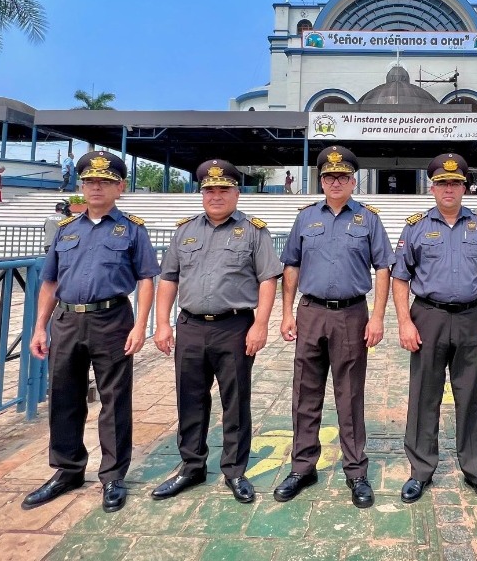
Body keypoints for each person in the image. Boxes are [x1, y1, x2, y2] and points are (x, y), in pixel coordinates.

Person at [22, 151, 159, 514]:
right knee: (64, 396)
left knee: (114, 400)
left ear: (120, 187)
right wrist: (40, 327)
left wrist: (140, 325)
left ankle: (113, 476)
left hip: (112, 319)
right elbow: (50, 282)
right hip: (66, 321)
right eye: (89, 182)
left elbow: (147, 278)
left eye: (104, 182)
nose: (96, 187)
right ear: (81, 186)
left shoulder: (132, 228)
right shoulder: (67, 230)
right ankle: (67, 470)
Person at [150, 159, 282, 505]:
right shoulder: (185, 231)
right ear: (201, 193)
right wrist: (162, 322)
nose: (216, 195)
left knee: (235, 401)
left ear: (237, 192)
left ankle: (235, 470)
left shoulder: (254, 231)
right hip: (191, 326)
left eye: (224, 189)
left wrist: (260, 324)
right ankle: (191, 466)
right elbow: (169, 279)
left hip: (235, 326)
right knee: (190, 399)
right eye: (210, 189)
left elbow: (268, 279)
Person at [274, 146, 392, 508]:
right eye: (329, 176)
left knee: (350, 395)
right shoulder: (305, 218)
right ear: (321, 181)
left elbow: (383, 268)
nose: (335, 182)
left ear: (353, 181)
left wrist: (377, 316)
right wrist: (286, 312)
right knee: (305, 393)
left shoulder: (369, 219)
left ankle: (356, 472)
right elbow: (290, 266)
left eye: (342, 177)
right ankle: (302, 467)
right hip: (310, 312)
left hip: (352, 314)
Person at [391, 153, 477, 507]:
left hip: (472, 317)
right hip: (427, 316)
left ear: (465, 187)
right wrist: (404, 321)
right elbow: (401, 278)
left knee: (471, 395)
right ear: (432, 187)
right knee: (424, 395)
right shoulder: (415, 226)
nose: (448, 189)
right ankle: (420, 471)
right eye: (442, 183)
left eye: (455, 183)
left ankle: (475, 471)